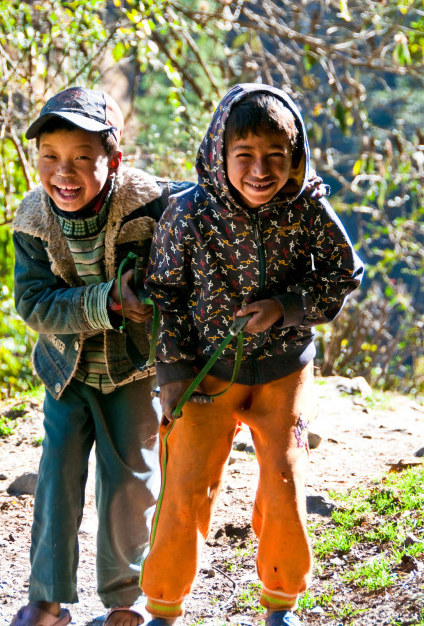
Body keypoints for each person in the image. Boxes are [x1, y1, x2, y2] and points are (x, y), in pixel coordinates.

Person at [140, 83, 364, 626]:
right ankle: (165, 606)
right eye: (245, 156)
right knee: (188, 486)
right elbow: (163, 293)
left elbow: (344, 274)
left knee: (285, 476)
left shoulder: (308, 209)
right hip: (205, 373)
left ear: (295, 158)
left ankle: (281, 602)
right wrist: (172, 373)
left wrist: (287, 308)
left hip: (283, 370)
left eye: (275, 157)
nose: (260, 170)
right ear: (220, 154)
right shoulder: (189, 214)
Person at [10, 87, 190, 626]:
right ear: (36, 158)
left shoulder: (151, 204)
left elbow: (200, 221)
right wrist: (107, 300)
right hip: (67, 372)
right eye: (50, 157)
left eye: (83, 158)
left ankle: (126, 601)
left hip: (132, 370)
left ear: (113, 159)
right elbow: (33, 302)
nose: (64, 173)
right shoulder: (32, 220)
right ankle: (47, 599)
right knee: (57, 475)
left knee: (130, 481)